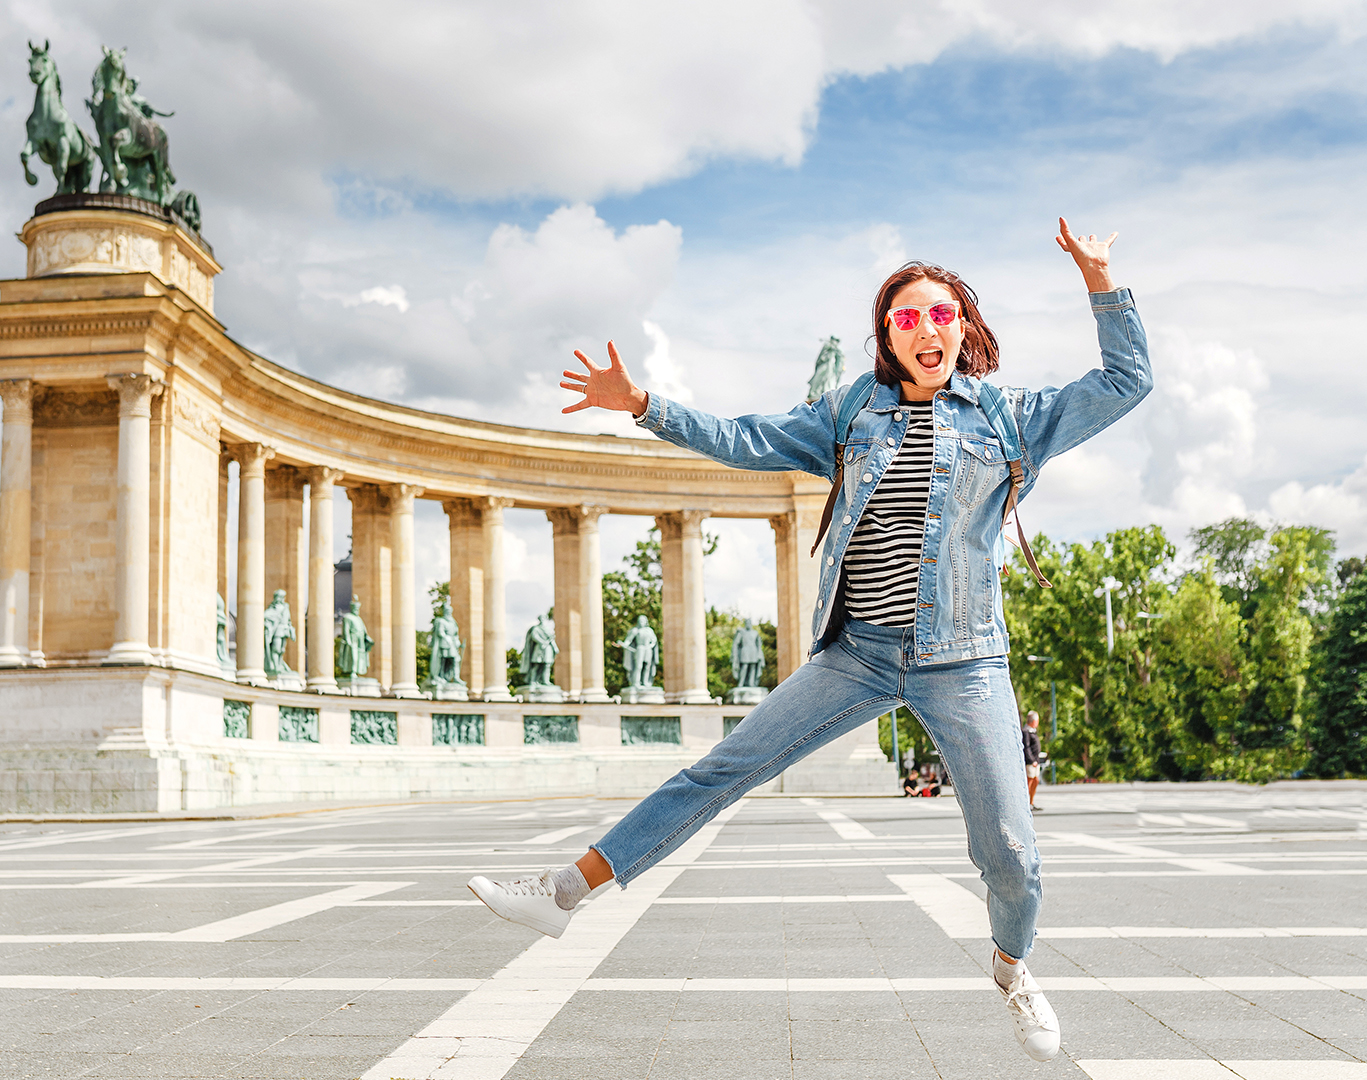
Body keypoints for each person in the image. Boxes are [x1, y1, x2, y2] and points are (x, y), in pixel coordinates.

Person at [466, 219, 1149, 1062]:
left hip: (964, 660)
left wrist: (1100, 279)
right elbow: (746, 439)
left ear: (964, 326)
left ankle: (1012, 968)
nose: (926, 329)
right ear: (887, 336)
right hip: (857, 654)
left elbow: (1127, 380)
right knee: (719, 771)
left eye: (941, 314)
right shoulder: (850, 413)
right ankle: (561, 893)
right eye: (906, 317)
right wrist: (644, 405)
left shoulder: (1011, 419)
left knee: (1010, 850)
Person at [1023, 714, 1044, 810]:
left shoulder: (1033, 731)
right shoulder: (1026, 732)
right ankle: (1026, 803)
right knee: (1030, 781)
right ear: (1033, 721)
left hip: (1036, 761)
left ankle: (1031, 802)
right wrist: (1031, 760)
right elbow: (1026, 747)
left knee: (1036, 780)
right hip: (1030, 762)